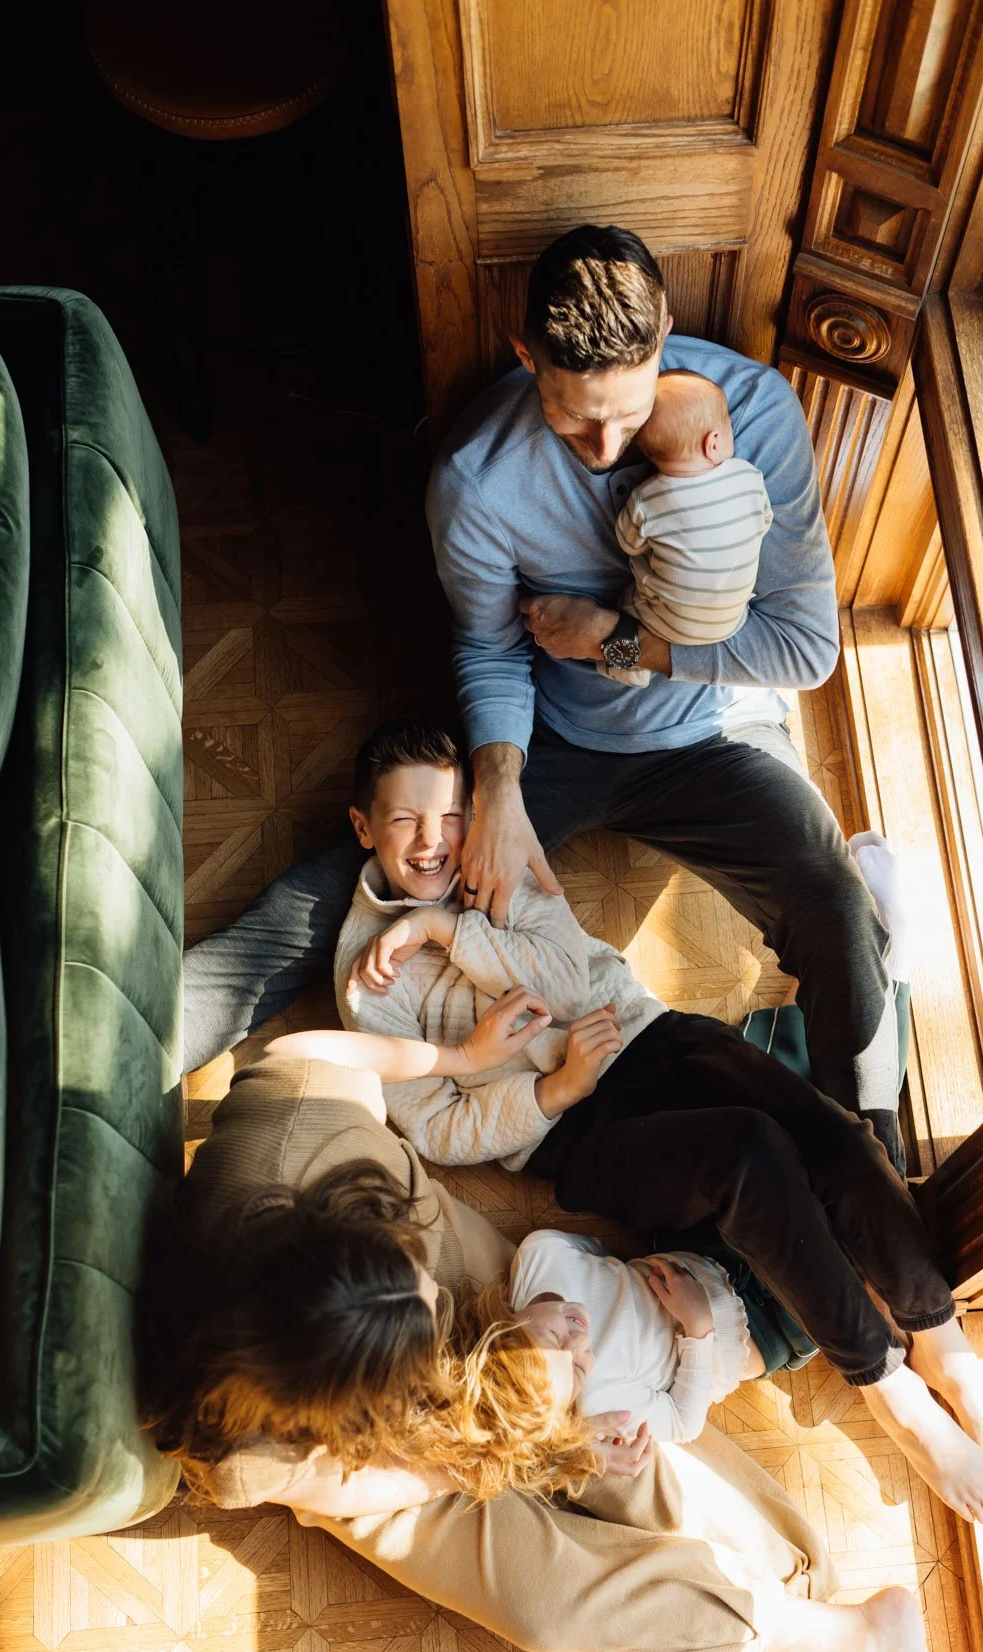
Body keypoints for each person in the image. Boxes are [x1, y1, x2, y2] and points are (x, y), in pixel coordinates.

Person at [181, 223, 908, 1174]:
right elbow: (487, 648)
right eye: (574, 422)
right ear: (528, 359)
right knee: (345, 896)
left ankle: (878, 1169)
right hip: (553, 739)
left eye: (626, 412)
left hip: (719, 733)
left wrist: (615, 639)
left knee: (834, 903)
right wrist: (501, 788)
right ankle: (110, 1044)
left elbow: (805, 648)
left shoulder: (755, 414)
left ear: (667, 339)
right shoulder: (477, 480)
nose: (606, 448)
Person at [138, 1020, 983, 1652]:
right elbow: (409, 1471)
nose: (441, 1305)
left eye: (415, 1286)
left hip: (406, 1249)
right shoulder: (254, 1450)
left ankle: (835, 1621)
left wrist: (458, 1061)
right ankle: (847, 1642)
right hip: (384, 1462)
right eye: (428, 1313)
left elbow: (334, 1055)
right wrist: (539, 1450)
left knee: (622, 1422)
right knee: (551, 1599)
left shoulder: (294, 1120)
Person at [336, 719, 983, 1529]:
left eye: (450, 816)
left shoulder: (491, 857)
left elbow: (574, 973)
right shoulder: (368, 979)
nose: (435, 842)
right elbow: (436, 1127)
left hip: (647, 1033)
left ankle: (944, 1343)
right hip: (576, 1132)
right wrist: (553, 1091)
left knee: (833, 1132)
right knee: (747, 1154)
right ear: (364, 827)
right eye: (405, 821)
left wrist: (447, 931)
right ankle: (889, 1387)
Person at [502, 1230, 766, 1444]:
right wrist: (698, 1326)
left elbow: (597, 1253)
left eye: (554, 1338)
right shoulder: (596, 1400)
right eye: (579, 1368)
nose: (580, 1340)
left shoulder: (538, 1254)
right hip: (746, 1334)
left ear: (506, 1328)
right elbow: (683, 1423)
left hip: (700, 1259)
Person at [598, 368, 772, 688]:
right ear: (714, 442)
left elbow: (628, 544)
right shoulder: (748, 477)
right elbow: (763, 522)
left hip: (667, 626)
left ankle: (630, 667)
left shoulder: (647, 498)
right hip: (734, 621)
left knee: (629, 596)